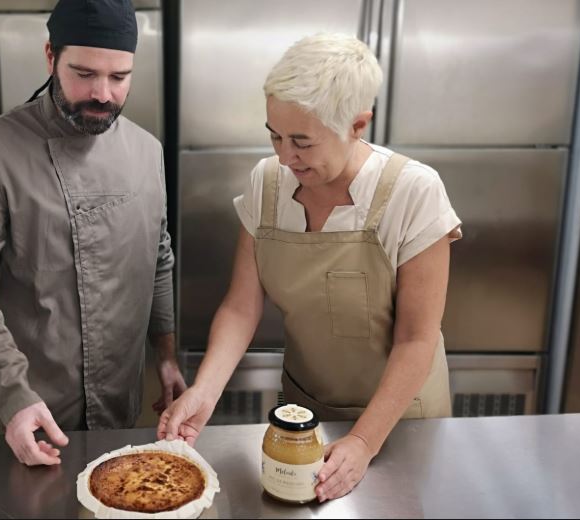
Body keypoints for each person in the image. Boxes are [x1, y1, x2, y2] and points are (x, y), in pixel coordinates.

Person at [157, 33, 462, 501]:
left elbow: (416, 339)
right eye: (275, 135)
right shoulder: (267, 184)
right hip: (304, 416)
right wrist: (205, 391)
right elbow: (241, 306)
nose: (284, 156)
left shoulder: (414, 192)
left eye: (301, 141)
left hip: (400, 424)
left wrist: (364, 441)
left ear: (357, 125)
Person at [0, 0, 185, 467]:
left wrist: (167, 356)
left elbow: (157, 260)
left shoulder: (146, 151)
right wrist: (13, 393)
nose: (102, 94)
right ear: (51, 56)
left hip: (117, 401)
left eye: (119, 77)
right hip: (23, 408)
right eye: (84, 73)